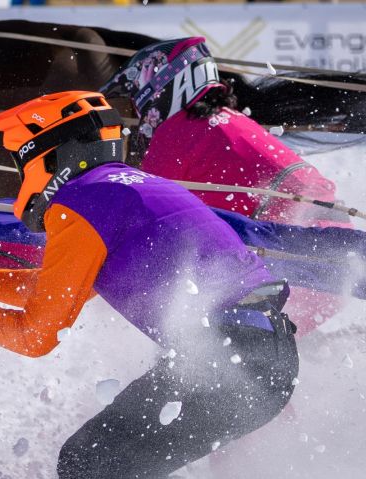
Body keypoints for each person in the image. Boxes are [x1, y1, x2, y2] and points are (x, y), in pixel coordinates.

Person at [0, 91, 299, 479]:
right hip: (260, 355)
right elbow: (54, 289)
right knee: (109, 465)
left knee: (89, 464)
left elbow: (35, 336)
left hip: (228, 358)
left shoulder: (81, 203)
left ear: (49, 154)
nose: (21, 174)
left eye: (21, 161)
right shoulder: (132, 188)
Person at [101, 37, 351, 335]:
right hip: (330, 255)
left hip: (289, 266)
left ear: (161, 84)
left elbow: (138, 216)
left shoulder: (174, 134)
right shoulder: (229, 118)